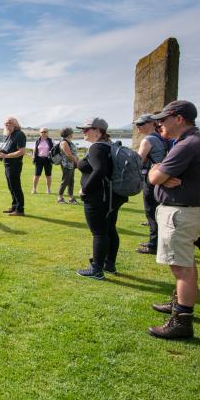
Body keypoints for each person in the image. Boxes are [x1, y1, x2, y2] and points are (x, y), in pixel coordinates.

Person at [147, 100, 200, 339]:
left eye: (163, 119)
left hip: (180, 213)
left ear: (178, 119)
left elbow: (154, 177)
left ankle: (182, 322)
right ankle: (179, 303)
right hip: (186, 211)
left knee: (181, 267)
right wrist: (159, 172)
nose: (159, 124)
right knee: (185, 262)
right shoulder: (195, 142)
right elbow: (158, 173)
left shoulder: (187, 145)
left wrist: (157, 173)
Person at [75, 117, 127, 279]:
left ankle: (96, 269)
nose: (83, 132)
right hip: (112, 196)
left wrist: (85, 189)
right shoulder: (109, 146)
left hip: (99, 197)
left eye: (86, 129)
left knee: (99, 232)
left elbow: (99, 171)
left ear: (98, 131)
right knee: (109, 229)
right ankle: (109, 263)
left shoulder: (97, 148)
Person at [134, 114, 169, 254]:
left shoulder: (147, 140)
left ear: (151, 123)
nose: (137, 126)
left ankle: (154, 245)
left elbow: (138, 161)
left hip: (151, 177)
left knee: (151, 212)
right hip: (162, 177)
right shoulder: (160, 137)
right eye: (136, 124)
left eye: (141, 123)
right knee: (158, 211)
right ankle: (158, 242)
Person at [0, 116, 27, 216]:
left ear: (15, 124)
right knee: (11, 187)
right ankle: (14, 206)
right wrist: (2, 153)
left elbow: (21, 152)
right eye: (6, 123)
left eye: (9, 123)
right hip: (7, 165)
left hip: (15, 165)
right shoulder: (10, 135)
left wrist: (6, 155)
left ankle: (20, 210)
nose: (7, 125)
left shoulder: (19, 134)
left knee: (16, 187)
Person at [55, 127, 79, 204]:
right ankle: (60, 197)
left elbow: (73, 153)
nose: (73, 134)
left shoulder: (69, 141)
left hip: (71, 164)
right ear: (69, 134)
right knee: (65, 181)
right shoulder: (64, 142)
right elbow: (68, 154)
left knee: (71, 181)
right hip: (66, 165)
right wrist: (77, 161)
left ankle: (71, 198)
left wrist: (76, 160)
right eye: (72, 132)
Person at [31, 127, 54, 194]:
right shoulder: (37, 141)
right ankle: (34, 189)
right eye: (42, 132)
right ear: (40, 133)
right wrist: (33, 158)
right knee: (37, 175)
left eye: (45, 132)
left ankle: (48, 190)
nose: (43, 133)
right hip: (39, 159)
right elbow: (34, 150)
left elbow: (54, 149)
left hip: (48, 160)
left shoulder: (51, 140)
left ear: (47, 133)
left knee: (48, 175)